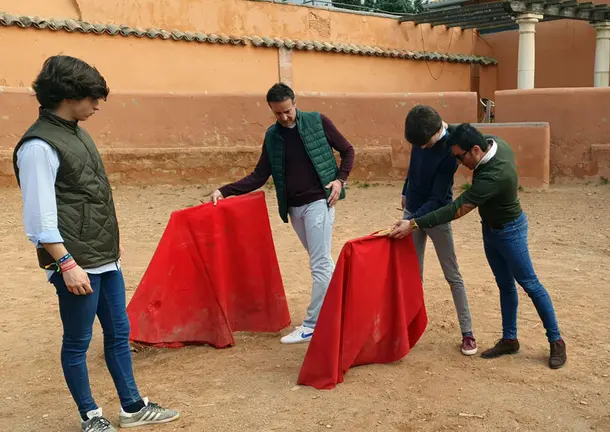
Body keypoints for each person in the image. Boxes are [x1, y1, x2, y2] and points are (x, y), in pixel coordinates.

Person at [13, 55, 179, 432]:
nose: (97, 105)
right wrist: (66, 264)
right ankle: (90, 416)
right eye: (92, 97)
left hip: (103, 256)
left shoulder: (75, 131)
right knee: (78, 341)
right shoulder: (38, 145)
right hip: (74, 261)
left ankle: (132, 407)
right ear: (70, 95)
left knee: (119, 333)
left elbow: (88, 197)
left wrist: (109, 249)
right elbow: (39, 218)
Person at [389, 123, 567, 369]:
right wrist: (437, 126)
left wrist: (414, 223)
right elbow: (460, 133)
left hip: (510, 232)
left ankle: (556, 340)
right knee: (504, 285)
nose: (460, 163)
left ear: (474, 150)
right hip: (491, 230)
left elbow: (455, 209)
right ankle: (509, 339)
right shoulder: (494, 142)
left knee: (530, 284)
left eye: (460, 157)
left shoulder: (493, 176)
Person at [210, 82, 355, 344]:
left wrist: (339, 180)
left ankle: (312, 325)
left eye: (287, 111)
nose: (284, 117)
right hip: (294, 208)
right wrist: (225, 190)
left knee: (320, 263)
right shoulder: (272, 136)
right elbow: (259, 175)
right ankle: (346, 309)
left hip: (320, 202)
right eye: (278, 113)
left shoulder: (317, 121)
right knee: (321, 260)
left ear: (294, 103)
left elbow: (348, 151)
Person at [400, 105, 477, 356]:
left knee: (452, 274)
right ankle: (408, 329)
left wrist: (413, 222)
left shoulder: (450, 149)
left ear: (437, 130)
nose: (421, 147)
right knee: (412, 274)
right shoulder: (420, 134)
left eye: (425, 143)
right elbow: (412, 168)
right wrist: (405, 193)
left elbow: (437, 198)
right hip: (412, 211)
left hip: (436, 216)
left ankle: (467, 332)